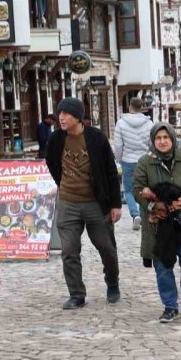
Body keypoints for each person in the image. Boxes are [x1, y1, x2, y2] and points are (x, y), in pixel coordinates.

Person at [46, 97, 122, 309]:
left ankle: (112, 283)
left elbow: (110, 171)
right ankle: (76, 294)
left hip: (96, 203)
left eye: (66, 114)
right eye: (59, 113)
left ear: (78, 117)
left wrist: (115, 204)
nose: (61, 117)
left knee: (106, 248)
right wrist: (63, 185)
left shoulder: (96, 138)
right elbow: (51, 163)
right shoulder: (55, 139)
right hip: (68, 203)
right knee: (69, 251)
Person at [133, 123, 181, 323]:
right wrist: (152, 207)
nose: (162, 141)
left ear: (173, 138)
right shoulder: (145, 162)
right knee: (163, 267)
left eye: (166, 137)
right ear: (153, 140)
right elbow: (137, 189)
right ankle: (170, 306)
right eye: (158, 138)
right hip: (159, 225)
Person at [112, 96, 153, 230]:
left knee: (128, 190)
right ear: (141, 107)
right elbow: (152, 144)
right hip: (144, 160)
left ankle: (135, 215)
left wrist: (119, 158)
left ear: (130, 106)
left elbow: (118, 145)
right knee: (143, 189)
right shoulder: (149, 123)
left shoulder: (121, 123)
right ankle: (142, 214)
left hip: (127, 160)